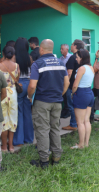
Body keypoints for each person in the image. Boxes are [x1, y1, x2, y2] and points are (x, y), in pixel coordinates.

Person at [28, 39, 69, 168]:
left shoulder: (37, 64)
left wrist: (30, 96)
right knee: (55, 128)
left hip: (42, 102)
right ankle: (56, 158)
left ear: (41, 49)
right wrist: (59, 94)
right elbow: (66, 83)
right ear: (52, 49)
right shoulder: (61, 63)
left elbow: (32, 85)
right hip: (57, 102)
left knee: (42, 130)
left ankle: (44, 161)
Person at [0, 46, 19, 153]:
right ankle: (11, 146)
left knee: (3, 120)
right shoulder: (17, 66)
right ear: (13, 55)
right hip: (13, 94)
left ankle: (4, 146)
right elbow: (16, 80)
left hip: (1, 94)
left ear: (3, 54)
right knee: (12, 119)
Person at [71, 49, 95, 149]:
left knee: (80, 122)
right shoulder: (91, 67)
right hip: (89, 93)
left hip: (81, 93)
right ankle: (86, 143)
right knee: (86, 121)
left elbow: (75, 84)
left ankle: (81, 145)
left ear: (82, 58)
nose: (76, 59)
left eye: (77, 57)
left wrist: (72, 93)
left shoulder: (81, 68)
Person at [13, 37, 34, 146]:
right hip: (28, 84)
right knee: (27, 113)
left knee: (18, 112)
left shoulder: (14, 58)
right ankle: (29, 138)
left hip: (19, 85)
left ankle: (18, 140)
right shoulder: (29, 58)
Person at [62, 40, 85, 131]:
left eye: (71, 45)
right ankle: (78, 123)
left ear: (75, 46)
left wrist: (65, 84)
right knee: (78, 106)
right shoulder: (83, 56)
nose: (71, 46)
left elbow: (69, 73)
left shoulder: (72, 57)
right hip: (80, 85)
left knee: (71, 105)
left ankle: (73, 124)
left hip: (71, 85)